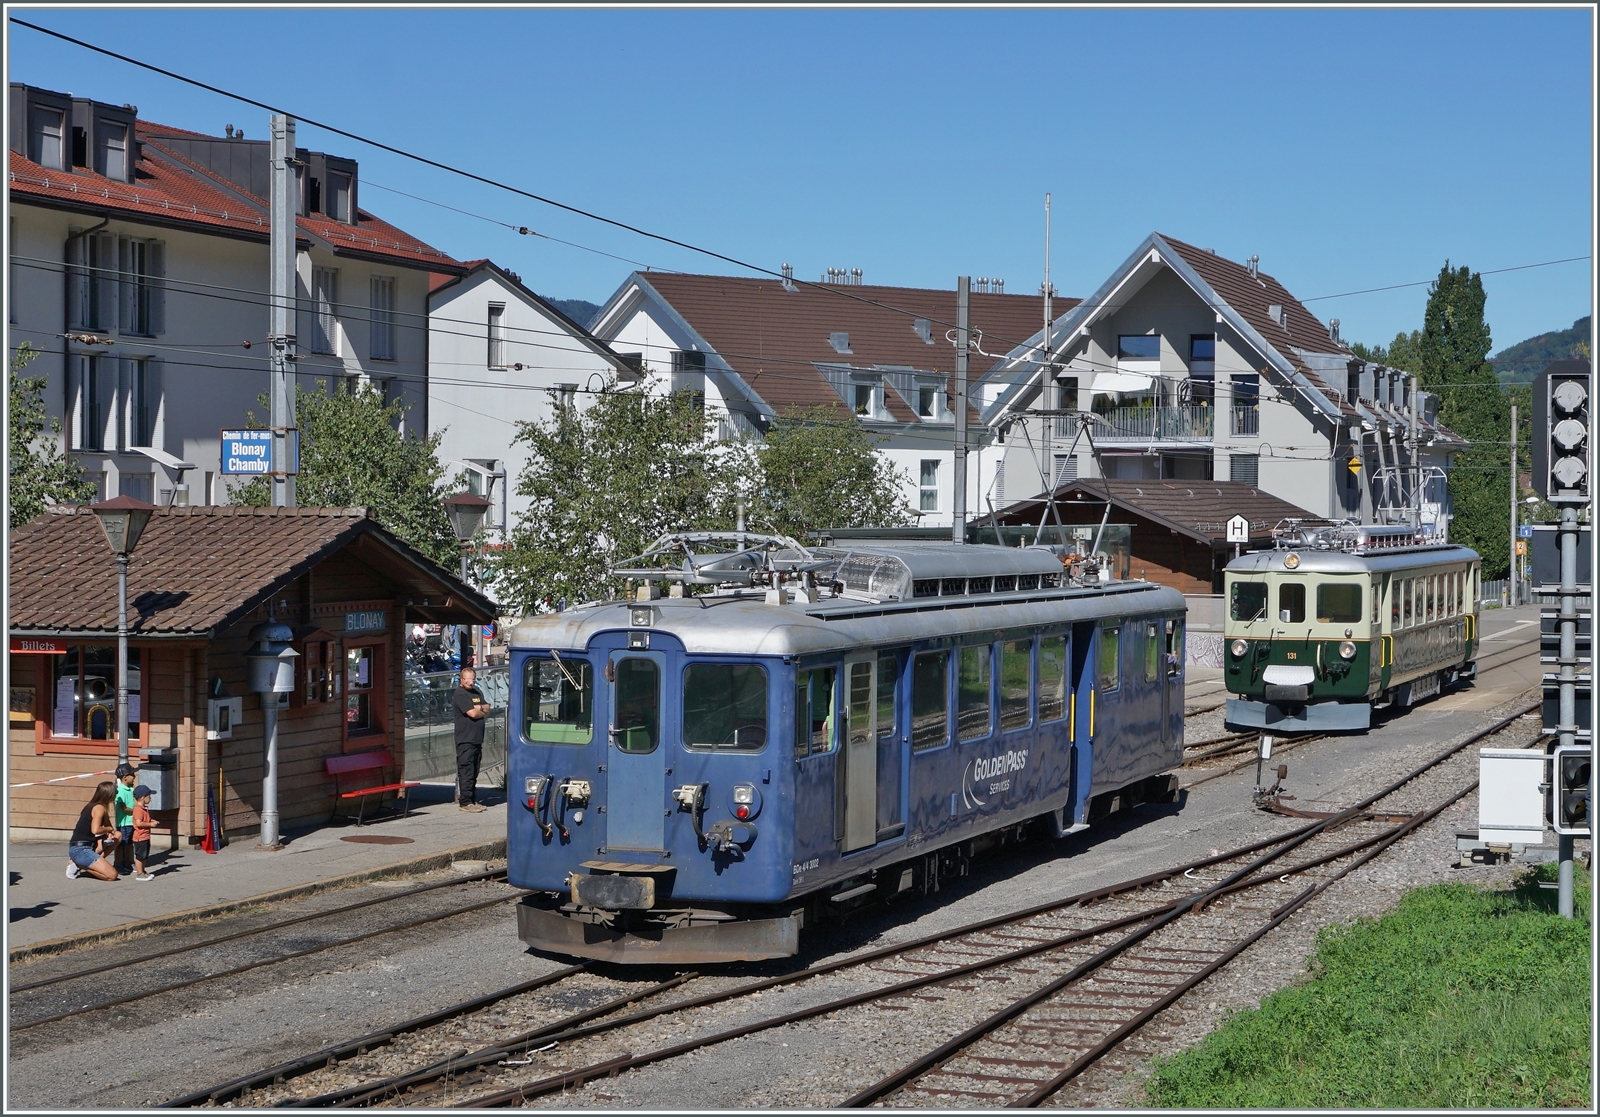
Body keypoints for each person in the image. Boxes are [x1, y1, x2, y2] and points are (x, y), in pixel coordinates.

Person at [452, 667, 490, 812]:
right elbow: (473, 714)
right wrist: (480, 710)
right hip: (465, 739)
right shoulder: (460, 694)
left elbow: (487, 708)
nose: (470, 681)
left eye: (472, 678)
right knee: (466, 771)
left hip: (477, 739)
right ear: (461, 679)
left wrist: (479, 708)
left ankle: (472, 800)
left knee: (474, 771)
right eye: (467, 679)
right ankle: (465, 802)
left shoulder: (476, 692)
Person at [66, 782, 121, 881]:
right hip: (80, 849)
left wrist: (110, 832)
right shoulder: (98, 808)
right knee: (112, 875)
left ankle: (93, 865)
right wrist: (109, 829)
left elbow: (109, 827)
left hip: (88, 845)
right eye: (115, 792)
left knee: (118, 835)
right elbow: (95, 830)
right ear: (109, 794)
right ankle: (78, 864)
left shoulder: (98, 806)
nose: (116, 794)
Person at [112, 763, 137, 874]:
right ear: (125, 777)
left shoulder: (130, 789)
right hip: (124, 823)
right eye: (132, 774)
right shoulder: (120, 790)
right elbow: (123, 808)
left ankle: (128, 863)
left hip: (130, 822)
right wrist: (137, 811)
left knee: (129, 844)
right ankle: (118, 864)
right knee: (122, 845)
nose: (134, 776)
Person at [130, 785, 157, 881]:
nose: (150, 798)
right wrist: (150, 824)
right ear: (142, 797)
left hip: (145, 836)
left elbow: (144, 820)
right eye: (149, 796)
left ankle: (143, 871)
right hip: (140, 837)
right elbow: (139, 823)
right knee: (140, 856)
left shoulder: (143, 809)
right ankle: (139, 873)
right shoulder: (138, 810)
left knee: (144, 856)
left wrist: (151, 821)